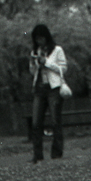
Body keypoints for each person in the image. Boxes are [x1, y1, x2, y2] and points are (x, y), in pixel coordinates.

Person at [29, 24, 67, 163]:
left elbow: (63, 68)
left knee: (55, 121)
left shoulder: (57, 50)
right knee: (36, 122)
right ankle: (37, 155)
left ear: (46, 37)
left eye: (41, 38)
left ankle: (56, 153)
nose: (39, 41)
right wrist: (34, 63)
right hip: (39, 88)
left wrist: (47, 62)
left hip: (53, 89)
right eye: (37, 39)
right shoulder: (35, 51)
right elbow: (32, 72)